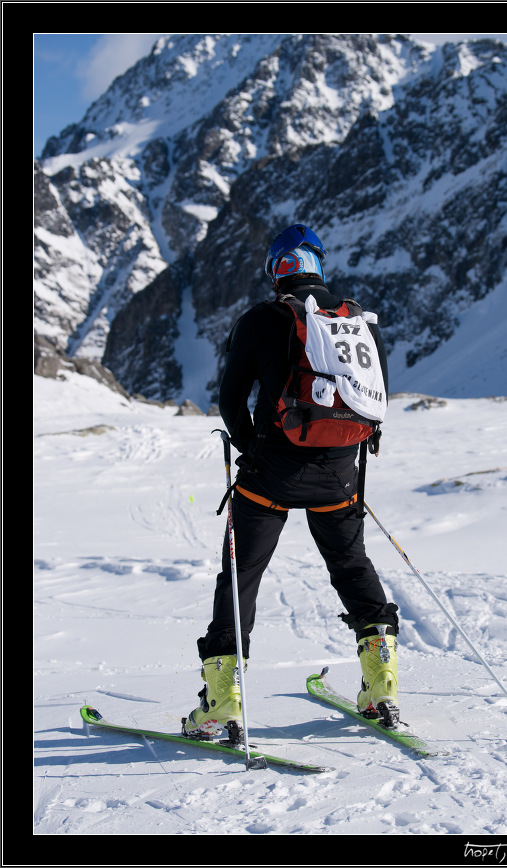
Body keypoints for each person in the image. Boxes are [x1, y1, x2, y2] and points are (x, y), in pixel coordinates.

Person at [182, 224, 400, 743]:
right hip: (339, 478)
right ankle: (381, 687)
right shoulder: (355, 321)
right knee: (352, 567)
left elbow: (232, 400)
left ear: (275, 271)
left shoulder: (261, 318)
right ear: (319, 265)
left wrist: (251, 447)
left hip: (269, 477)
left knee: (240, 577)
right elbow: (375, 399)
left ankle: (222, 703)